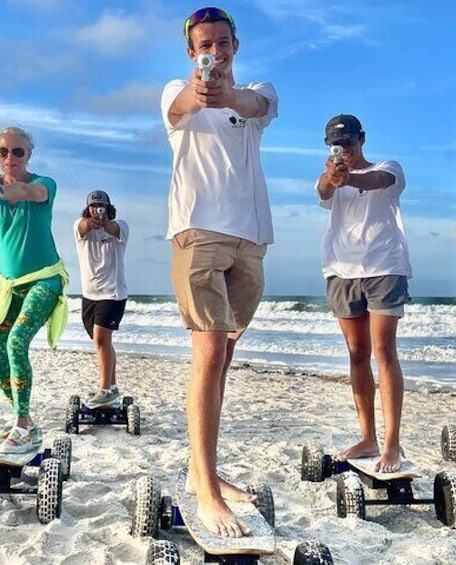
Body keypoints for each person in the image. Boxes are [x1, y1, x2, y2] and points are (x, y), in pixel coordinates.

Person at [160, 6, 278, 538]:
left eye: (223, 42)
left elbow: (258, 103)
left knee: (224, 355)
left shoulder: (255, 95)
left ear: (236, 44)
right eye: (205, 44)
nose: (215, 51)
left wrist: (228, 95)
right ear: (192, 51)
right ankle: (205, 490)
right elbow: (182, 105)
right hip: (199, 231)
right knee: (208, 352)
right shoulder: (174, 93)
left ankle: (200, 468)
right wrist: (201, 90)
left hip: (250, 239)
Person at [316, 114, 411, 473]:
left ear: (362, 140)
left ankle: (392, 443)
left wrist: (349, 176)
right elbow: (324, 192)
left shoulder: (389, 168)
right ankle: (368, 435)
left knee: (384, 351)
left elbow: (377, 180)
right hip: (342, 269)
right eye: (337, 146)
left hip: (384, 266)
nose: (345, 151)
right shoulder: (330, 176)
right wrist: (333, 176)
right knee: (357, 353)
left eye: (350, 144)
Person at [0, 126, 69, 454]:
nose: (9, 157)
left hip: (44, 280)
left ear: (29, 154)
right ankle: (22, 419)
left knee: (16, 342)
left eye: (17, 152)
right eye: (1, 152)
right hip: (8, 286)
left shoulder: (44, 185)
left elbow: (25, 194)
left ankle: (23, 424)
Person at [73, 190, 129, 408]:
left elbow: (114, 229)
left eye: (102, 207)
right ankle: (112, 386)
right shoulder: (81, 226)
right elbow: (82, 227)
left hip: (113, 294)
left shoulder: (120, 226)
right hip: (89, 295)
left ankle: (105, 389)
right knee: (102, 342)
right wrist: (92, 222)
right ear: (88, 209)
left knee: (101, 339)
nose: (98, 210)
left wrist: (104, 222)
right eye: (94, 207)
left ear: (108, 208)